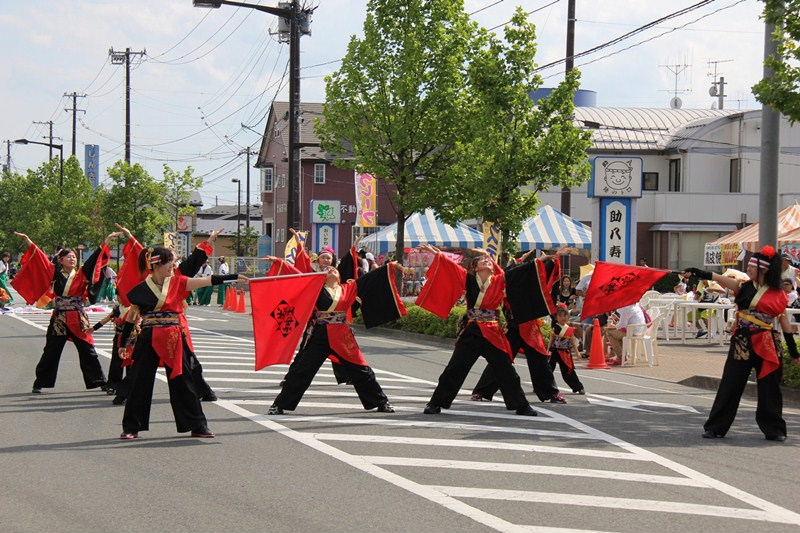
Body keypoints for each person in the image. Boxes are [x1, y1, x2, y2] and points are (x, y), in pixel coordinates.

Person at [118, 242, 244, 440]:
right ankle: (131, 427)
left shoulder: (178, 282)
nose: (173, 266)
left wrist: (232, 277)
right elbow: (132, 318)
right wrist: (123, 344)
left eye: (174, 262)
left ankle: (198, 425)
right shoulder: (141, 289)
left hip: (175, 338)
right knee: (139, 382)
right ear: (157, 264)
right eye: (170, 263)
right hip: (148, 338)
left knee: (184, 382)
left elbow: (206, 281)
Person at [416, 244, 549, 417]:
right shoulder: (468, 278)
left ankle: (521, 405)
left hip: (493, 332)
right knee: (455, 368)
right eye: (483, 260)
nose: (487, 261)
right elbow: (451, 266)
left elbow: (519, 272)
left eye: (489, 260)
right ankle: (435, 403)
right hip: (472, 331)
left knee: (506, 370)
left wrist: (540, 261)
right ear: (475, 267)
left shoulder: (500, 280)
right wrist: (437, 253)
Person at [264, 254, 406, 415]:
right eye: (327, 270)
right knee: (302, 371)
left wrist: (389, 267)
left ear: (339, 277)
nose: (331, 269)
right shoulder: (315, 288)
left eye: (334, 269)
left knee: (362, 370)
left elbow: (371, 278)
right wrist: (280, 262)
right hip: (319, 335)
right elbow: (298, 276)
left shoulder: (349, 288)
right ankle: (279, 404)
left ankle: (381, 402)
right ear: (322, 277)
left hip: (343, 336)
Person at [686, 245, 800, 442]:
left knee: (769, 387)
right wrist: (700, 272)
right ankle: (716, 427)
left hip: (768, 343)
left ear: (763, 269)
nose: (748, 269)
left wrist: (794, 353)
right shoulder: (744, 287)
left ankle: (774, 429)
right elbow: (722, 279)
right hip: (743, 342)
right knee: (731, 383)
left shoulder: (778, 293)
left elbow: (785, 325)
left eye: (752, 267)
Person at [13, 231, 119, 394]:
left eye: (74, 257)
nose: (72, 259)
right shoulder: (54, 273)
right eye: (68, 256)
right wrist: (28, 241)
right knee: (51, 350)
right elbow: (40, 258)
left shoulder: (82, 273)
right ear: (60, 260)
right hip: (60, 318)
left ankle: (100, 381)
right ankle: (40, 382)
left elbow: (95, 259)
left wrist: (106, 242)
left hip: (78, 317)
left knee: (88, 350)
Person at [549, 305, 585, 394]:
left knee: (568, 371)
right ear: (556, 317)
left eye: (565, 315)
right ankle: (542, 386)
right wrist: (547, 350)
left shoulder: (569, 329)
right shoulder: (555, 327)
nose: (563, 318)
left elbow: (573, 342)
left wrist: (577, 353)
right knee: (548, 369)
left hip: (565, 352)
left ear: (568, 317)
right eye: (560, 316)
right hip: (554, 351)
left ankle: (578, 387)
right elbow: (552, 340)